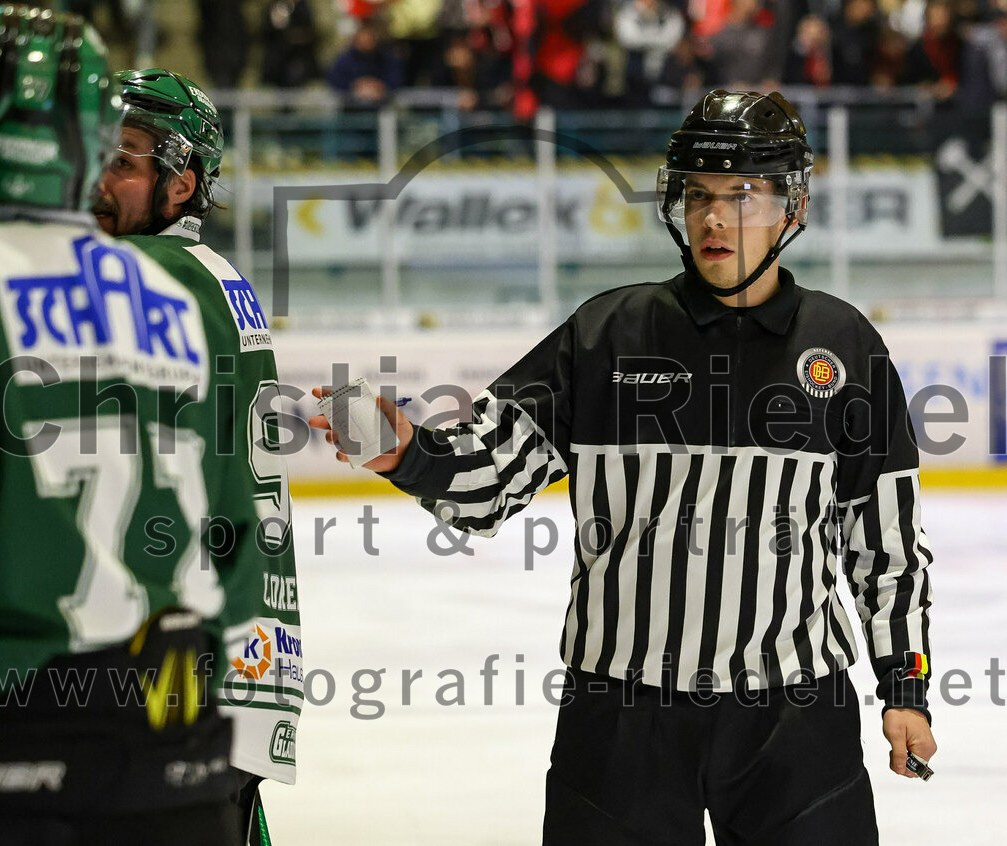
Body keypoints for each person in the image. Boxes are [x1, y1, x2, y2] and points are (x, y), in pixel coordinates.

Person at [310, 89, 937, 844]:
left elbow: (886, 545)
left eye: (740, 196)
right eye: (699, 196)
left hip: (795, 720)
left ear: (791, 209)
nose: (712, 218)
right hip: (619, 720)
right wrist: (407, 450)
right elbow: (489, 482)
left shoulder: (844, 345)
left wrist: (904, 686)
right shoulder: (607, 334)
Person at [0, 7, 272, 845]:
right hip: (170, 708)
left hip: (17, 717)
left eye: (127, 157)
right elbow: (236, 526)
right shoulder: (185, 290)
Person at [92, 68, 302, 844]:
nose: (98, 180)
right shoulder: (213, 276)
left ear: (181, 184)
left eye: (122, 160)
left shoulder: (152, 281)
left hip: (185, 659)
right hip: (243, 640)